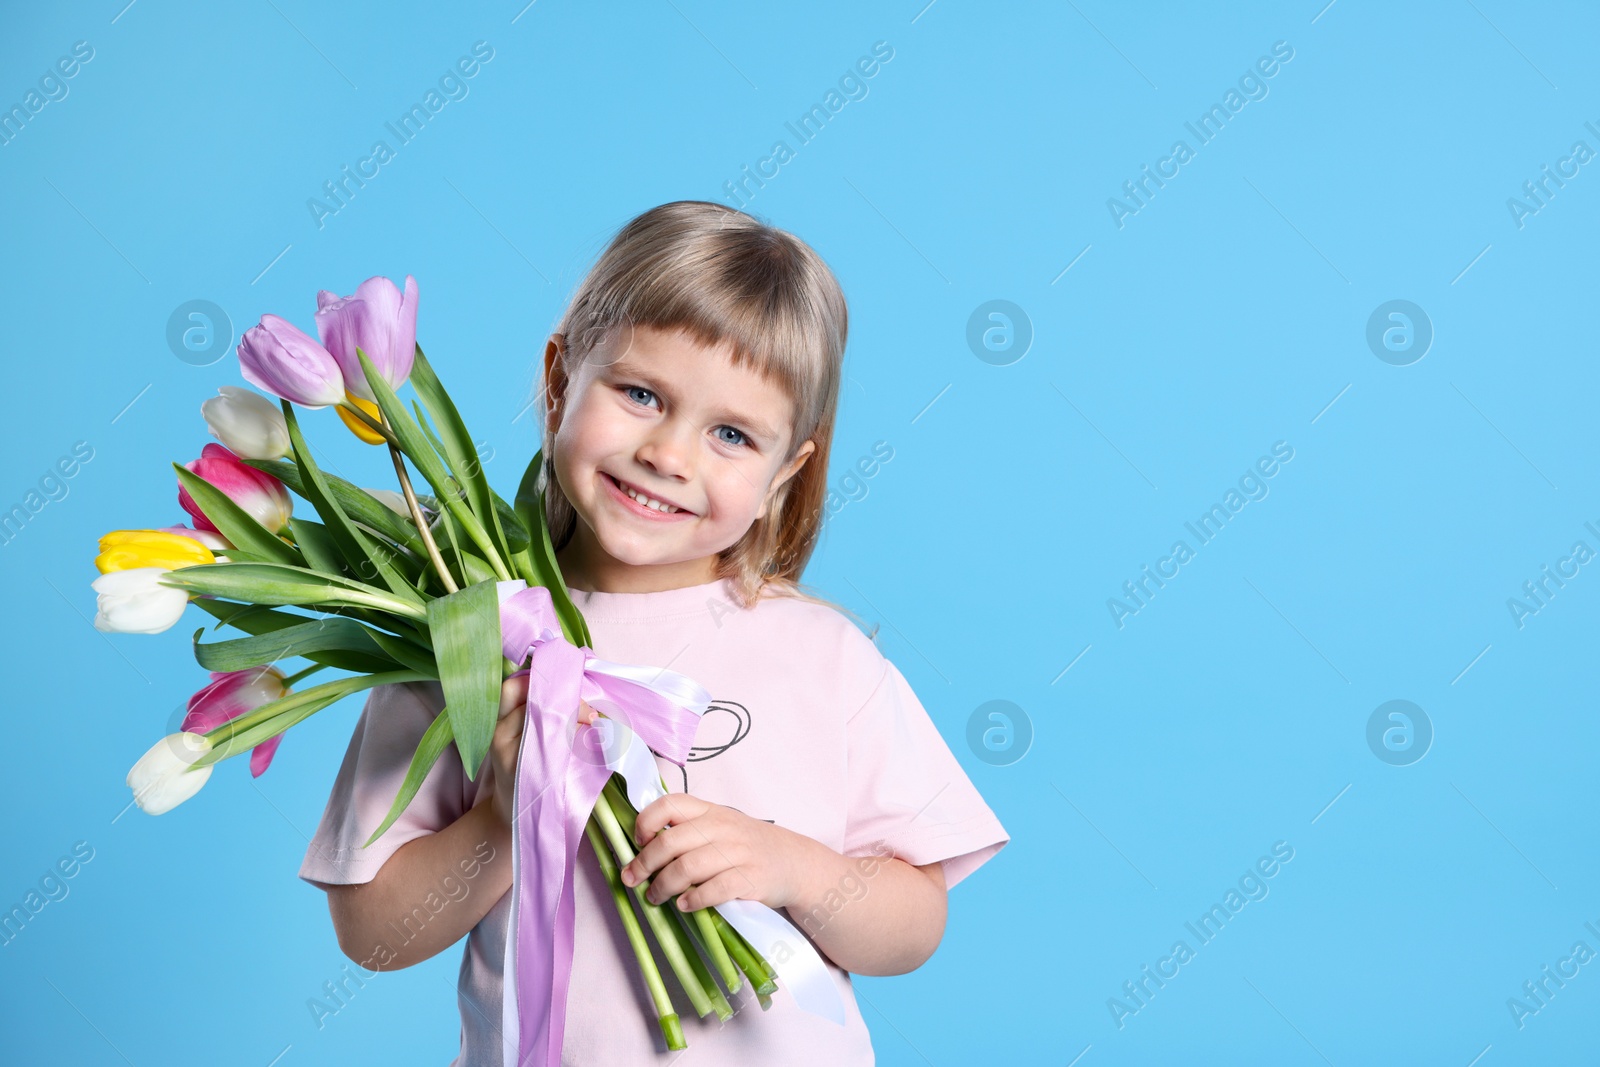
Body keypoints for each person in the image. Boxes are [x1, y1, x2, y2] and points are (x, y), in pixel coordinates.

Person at [298, 200, 1010, 1064]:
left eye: (731, 434)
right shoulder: (465, 639)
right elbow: (374, 933)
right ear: (561, 380)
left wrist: (794, 865)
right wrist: (501, 817)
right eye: (640, 393)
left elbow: (914, 924)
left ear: (787, 470)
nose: (671, 455)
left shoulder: (827, 659)